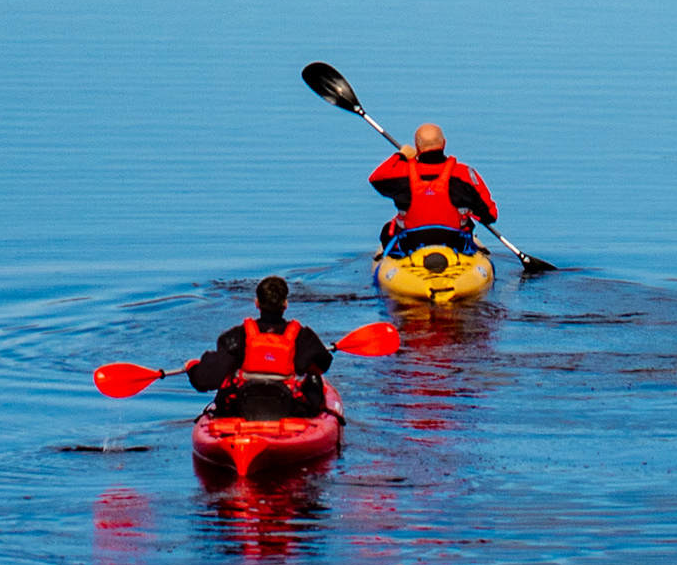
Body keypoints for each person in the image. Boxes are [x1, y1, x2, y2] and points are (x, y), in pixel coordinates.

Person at [186, 275, 334, 418]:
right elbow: (323, 365)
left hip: (242, 409)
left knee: (228, 379)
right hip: (290, 410)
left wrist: (193, 368)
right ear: (285, 304)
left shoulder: (236, 337)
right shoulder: (303, 337)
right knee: (315, 377)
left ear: (257, 303)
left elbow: (205, 381)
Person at [369, 122, 496, 251]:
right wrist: (471, 210)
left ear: (417, 148)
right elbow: (490, 216)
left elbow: (376, 178)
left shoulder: (401, 174)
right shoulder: (464, 174)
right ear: (444, 144)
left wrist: (401, 155)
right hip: (455, 243)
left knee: (387, 230)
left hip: (411, 244)